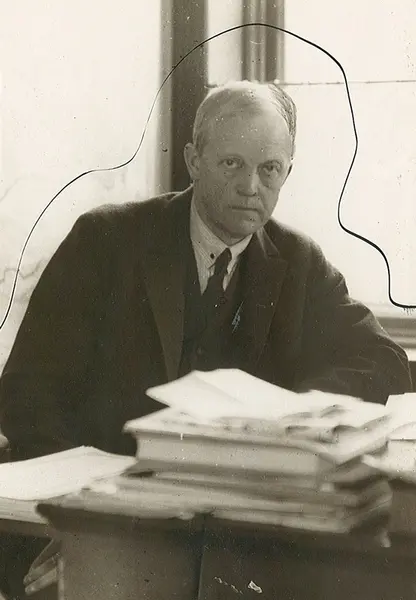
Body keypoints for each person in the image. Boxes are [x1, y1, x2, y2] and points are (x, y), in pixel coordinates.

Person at [0, 79, 413, 598]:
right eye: (231, 163)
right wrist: (80, 521)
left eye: (270, 168)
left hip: (234, 534)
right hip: (97, 512)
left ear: (288, 172)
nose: (250, 186)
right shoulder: (105, 241)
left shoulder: (299, 262)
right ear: (194, 161)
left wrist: (282, 414)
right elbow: (26, 392)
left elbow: (383, 360)